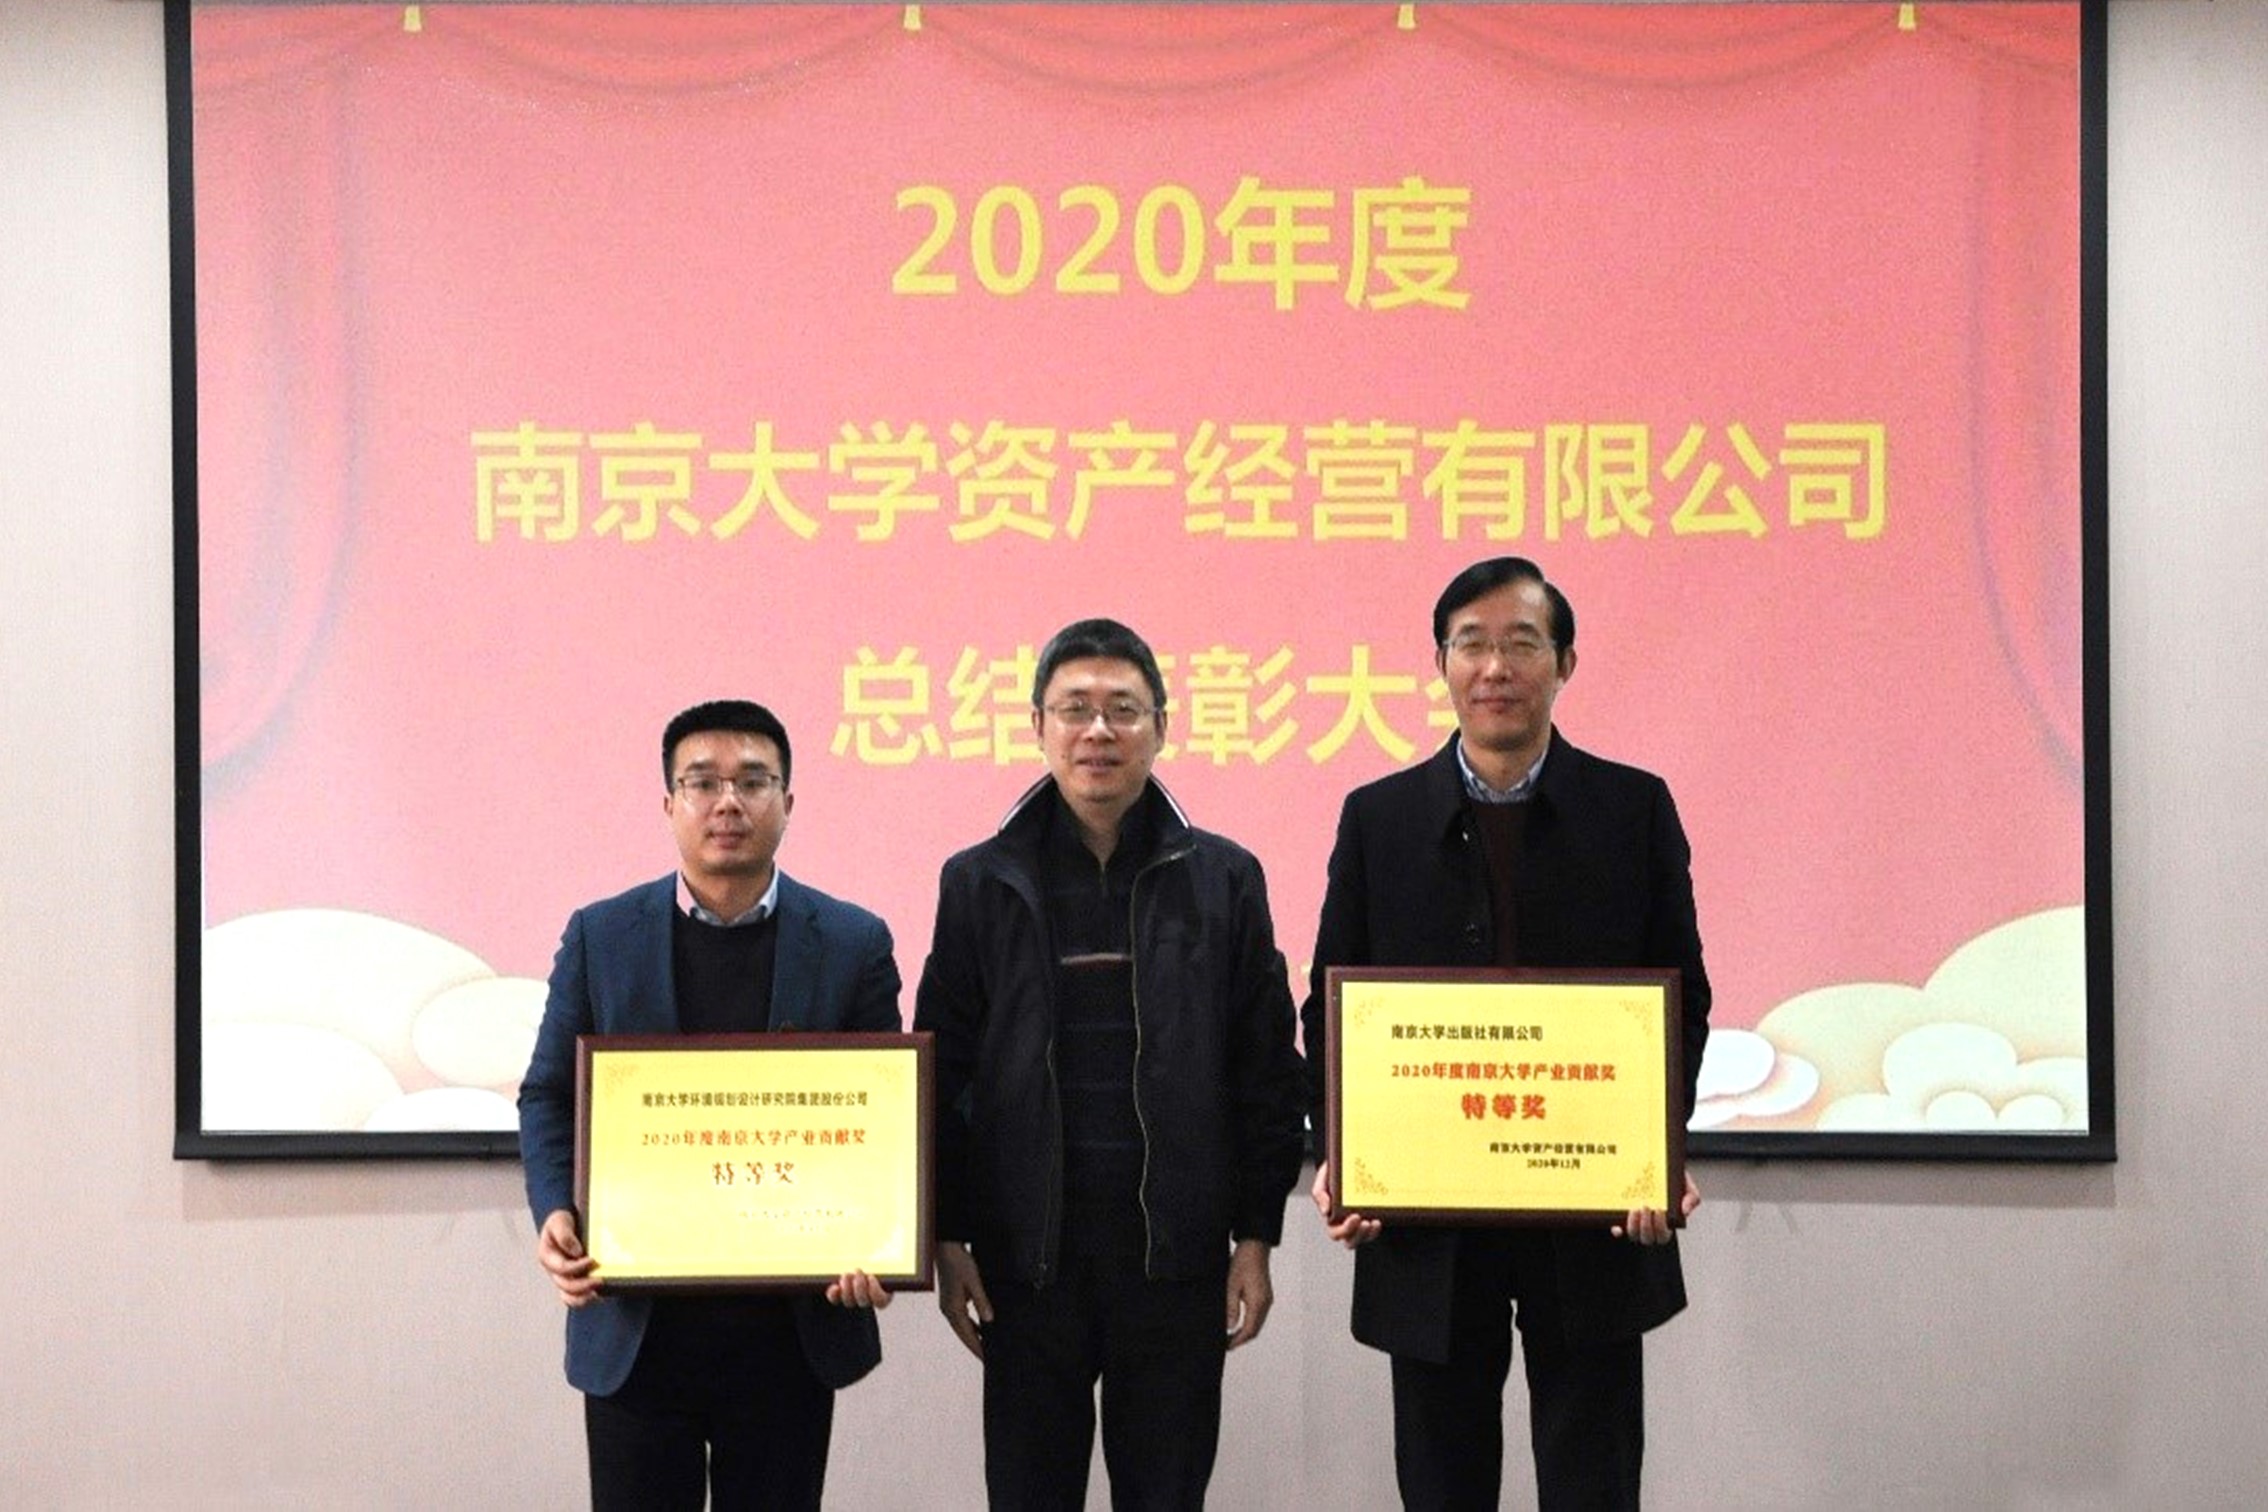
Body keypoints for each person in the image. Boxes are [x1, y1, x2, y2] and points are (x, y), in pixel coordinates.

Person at [1304, 558, 1711, 1511]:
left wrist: (1656, 1151)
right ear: (1441, 664)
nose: (1496, 667)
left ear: (1564, 663)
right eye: (1472, 645)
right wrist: (1344, 1158)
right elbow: (1331, 1010)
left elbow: (1681, 999)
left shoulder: (1632, 808)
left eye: (1522, 643)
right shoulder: (1378, 818)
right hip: (1426, 1221)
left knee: (1593, 1482)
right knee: (1441, 1485)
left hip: (1594, 1215)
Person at [914, 618, 1308, 1510]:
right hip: (1027, 1262)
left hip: (1174, 1261)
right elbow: (944, 1071)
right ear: (1037, 727)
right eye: (1075, 710)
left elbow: (1264, 1070)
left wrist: (1256, 1236)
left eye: (1123, 710)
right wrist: (947, 1235)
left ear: (1161, 727)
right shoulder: (978, 883)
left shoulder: (1224, 879)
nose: (1099, 731)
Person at [517, 699, 902, 1512]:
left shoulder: (852, 942)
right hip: (637, 1327)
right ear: (669, 804)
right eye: (703, 782)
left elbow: (885, 1120)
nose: (728, 802)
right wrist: (554, 1209)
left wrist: (879, 1237)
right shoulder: (600, 935)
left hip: (789, 1334)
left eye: (753, 782)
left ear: (787, 802)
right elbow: (548, 1094)